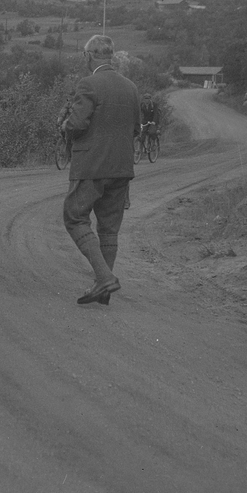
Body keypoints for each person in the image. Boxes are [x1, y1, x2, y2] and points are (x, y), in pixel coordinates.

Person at [61, 34, 140, 305]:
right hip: (122, 167)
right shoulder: (130, 87)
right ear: (111, 56)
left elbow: (77, 124)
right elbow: (136, 128)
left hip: (92, 166)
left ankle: (104, 278)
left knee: (74, 216)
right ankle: (102, 288)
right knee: (109, 228)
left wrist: (65, 126)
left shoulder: (88, 84)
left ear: (89, 57)